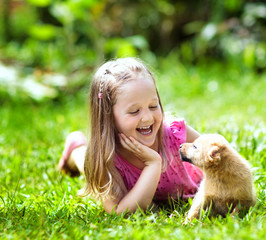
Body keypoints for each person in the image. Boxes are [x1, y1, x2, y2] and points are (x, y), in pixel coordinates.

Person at [58, 57, 203, 214]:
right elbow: (118, 211)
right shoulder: (106, 158)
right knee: (87, 161)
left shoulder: (174, 134)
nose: (147, 118)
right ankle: (76, 148)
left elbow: (221, 155)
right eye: (134, 111)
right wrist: (153, 164)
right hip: (101, 154)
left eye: (153, 106)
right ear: (108, 117)